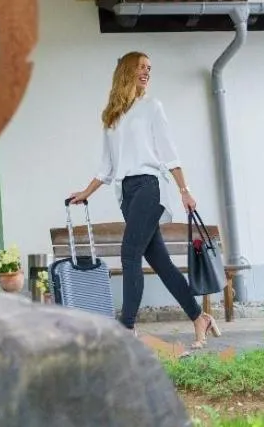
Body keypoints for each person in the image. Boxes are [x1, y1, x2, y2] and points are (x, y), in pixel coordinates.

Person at [67, 51, 220, 351]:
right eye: (141, 67)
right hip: (126, 193)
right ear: (126, 71)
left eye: (149, 68)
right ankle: (199, 316)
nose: (146, 72)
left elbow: (168, 151)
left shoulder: (152, 107)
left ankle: (126, 329)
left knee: (129, 252)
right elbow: (107, 166)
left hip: (150, 187)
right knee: (160, 262)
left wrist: (184, 190)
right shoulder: (111, 115)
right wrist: (86, 192)